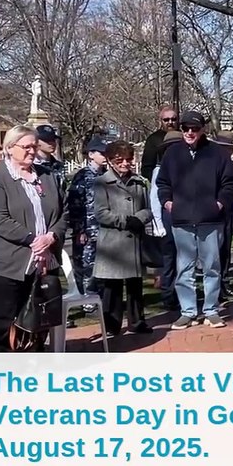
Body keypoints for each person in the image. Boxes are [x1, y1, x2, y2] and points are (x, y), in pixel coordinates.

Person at [0, 125, 67, 353]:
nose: (32, 151)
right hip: (5, 265)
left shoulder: (47, 176)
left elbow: (63, 213)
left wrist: (51, 237)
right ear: (9, 148)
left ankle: (32, 374)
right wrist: (33, 240)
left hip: (44, 264)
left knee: (38, 322)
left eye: (34, 146)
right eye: (26, 147)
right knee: (4, 326)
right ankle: (5, 378)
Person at [155, 110, 233, 330]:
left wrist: (219, 204)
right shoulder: (172, 154)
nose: (190, 132)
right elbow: (162, 183)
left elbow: (232, 183)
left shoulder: (216, 154)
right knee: (184, 268)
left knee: (212, 266)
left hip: (210, 220)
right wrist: (167, 202)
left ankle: (211, 310)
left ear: (202, 129)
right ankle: (188, 311)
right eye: (185, 128)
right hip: (182, 220)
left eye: (194, 129)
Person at [91, 141, 154, 336]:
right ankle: (112, 324)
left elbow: (149, 209)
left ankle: (137, 322)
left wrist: (140, 219)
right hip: (112, 244)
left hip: (134, 241)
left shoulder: (139, 182)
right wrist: (126, 221)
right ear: (110, 161)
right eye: (120, 160)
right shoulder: (102, 183)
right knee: (112, 287)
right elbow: (101, 213)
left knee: (135, 287)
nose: (125, 164)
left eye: (128, 159)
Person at [65, 137, 108, 296]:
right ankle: (87, 301)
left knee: (103, 266)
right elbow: (75, 204)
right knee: (86, 265)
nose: (105, 156)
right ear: (91, 154)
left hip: (104, 230)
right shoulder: (82, 176)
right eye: (101, 153)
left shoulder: (107, 175)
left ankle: (101, 299)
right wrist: (79, 230)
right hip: (87, 230)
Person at [147, 130, 183, 314]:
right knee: (169, 260)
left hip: (184, 218)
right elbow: (154, 199)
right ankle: (169, 296)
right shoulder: (159, 170)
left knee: (183, 259)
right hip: (167, 218)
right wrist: (159, 225)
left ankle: (182, 294)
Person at [211, 130, 233, 299]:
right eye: (224, 147)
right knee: (213, 251)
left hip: (228, 213)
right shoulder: (210, 164)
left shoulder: (232, 165)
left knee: (225, 251)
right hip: (213, 212)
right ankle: (215, 288)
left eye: (229, 148)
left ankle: (224, 283)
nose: (227, 151)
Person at [140, 105, 179, 180]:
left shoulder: (184, 136)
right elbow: (147, 167)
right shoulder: (153, 139)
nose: (170, 122)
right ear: (161, 121)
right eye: (166, 120)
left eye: (173, 119)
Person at [33, 124, 67, 192]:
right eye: (47, 140)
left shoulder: (58, 166)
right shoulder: (31, 166)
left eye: (53, 139)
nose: (51, 143)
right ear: (37, 141)